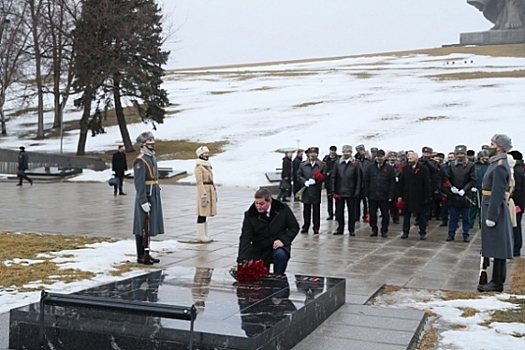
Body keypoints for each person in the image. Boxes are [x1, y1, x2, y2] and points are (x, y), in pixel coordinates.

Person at [478, 134, 514, 293]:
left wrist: (492, 215)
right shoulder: (496, 163)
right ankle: (496, 280)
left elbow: (497, 193)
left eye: (492, 144)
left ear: (499, 147)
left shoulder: (499, 165)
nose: (489, 146)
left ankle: (497, 282)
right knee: (496, 246)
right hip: (489, 205)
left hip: (494, 208)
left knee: (498, 247)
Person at [237, 188, 299, 275]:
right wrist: (242, 260)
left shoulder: (282, 208)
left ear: (269, 202)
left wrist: (283, 240)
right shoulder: (250, 215)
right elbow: (245, 237)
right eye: (256, 203)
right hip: (259, 248)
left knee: (281, 254)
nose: (258, 206)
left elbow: (294, 227)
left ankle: (279, 277)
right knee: (259, 277)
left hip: (276, 245)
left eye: (261, 204)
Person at [133, 131, 163, 264]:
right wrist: (143, 200)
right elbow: (139, 183)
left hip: (153, 193)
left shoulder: (152, 158)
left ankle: (147, 252)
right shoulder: (141, 160)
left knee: (149, 226)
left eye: (152, 139)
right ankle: (141, 255)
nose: (152, 142)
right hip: (145, 195)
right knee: (141, 226)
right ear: (143, 144)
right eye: (149, 140)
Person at [443, 145, 477, 242]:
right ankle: (451, 234)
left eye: (462, 153)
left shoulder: (471, 165)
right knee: (453, 217)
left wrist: (465, 190)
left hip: (465, 195)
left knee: (466, 218)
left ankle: (465, 234)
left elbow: (473, 179)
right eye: (458, 154)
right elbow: (446, 178)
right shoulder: (451, 165)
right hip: (454, 195)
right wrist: (451, 187)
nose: (460, 155)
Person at [363, 149, 396, 237]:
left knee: (385, 214)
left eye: (381, 156)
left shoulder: (389, 168)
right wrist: (366, 193)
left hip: (384, 196)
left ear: (384, 157)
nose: (379, 158)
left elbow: (392, 183)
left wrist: (390, 195)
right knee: (372, 214)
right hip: (372, 195)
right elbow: (366, 181)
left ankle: (384, 230)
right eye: (378, 156)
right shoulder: (370, 168)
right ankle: (374, 229)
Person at [398, 151, 430, 240]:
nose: (409, 160)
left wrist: (427, 197)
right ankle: (405, 232)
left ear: (416, 159)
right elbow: (401, 183)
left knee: (421, 217)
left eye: (411, 158)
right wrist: (400, 195)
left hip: (419, 197)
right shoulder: (405, 169)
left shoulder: (423, 169)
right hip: (407, 196)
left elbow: (426, 184)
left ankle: (422, 232)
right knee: (406, 216)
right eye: (408, 158)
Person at [331, 145, 361, 235]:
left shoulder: (355, 163)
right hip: (339, 191)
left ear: (351, 153)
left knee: (352, 212)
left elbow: (358, 178)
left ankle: (351, 229)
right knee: (339, 212)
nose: (345, 153)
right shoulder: (338, 163)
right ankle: (340, 228)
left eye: (347, 152)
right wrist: (333, 190)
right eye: (344, 152)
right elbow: (334, 177)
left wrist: (357, 191)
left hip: (351, 191)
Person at [297, 147, 326, 234]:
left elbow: (324, 176)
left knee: (316, 210)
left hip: (316, 190)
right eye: (311, 153)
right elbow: (298, 175)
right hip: (306, 190)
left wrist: (316, 180)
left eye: (315, 153)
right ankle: (306, 226)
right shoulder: (303, 164)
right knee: (306, 210)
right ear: (308, 154)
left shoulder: (321, 164)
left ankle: (316, 227)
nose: (313, 155)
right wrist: (304, 181)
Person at [195, 145, 217, 243]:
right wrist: (203, 194)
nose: (206, 155)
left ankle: (204, 233)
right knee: (202, 213)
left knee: (206, 213)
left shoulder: (207, 166)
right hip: (204, 190)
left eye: (207, 153)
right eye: (204, 154)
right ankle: (201, 235)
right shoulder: (199, 167)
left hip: (209, 189)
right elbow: (199, 182)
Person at [508, 150, 525, 257]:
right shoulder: (520, 169)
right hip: (519, 203)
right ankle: (515, 247)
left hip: (516, 203)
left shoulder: (516, 171)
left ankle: (515, 248)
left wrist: (518, 205)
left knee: (515, 226)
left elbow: (518, 190)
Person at [322, 145, 340, 220]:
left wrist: (331, 172)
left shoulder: (338, 158)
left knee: (337, 199)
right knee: (329, 199)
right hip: (328, 182)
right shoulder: (326, 158)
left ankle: (337, 213)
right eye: (331, 150)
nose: (332, 152)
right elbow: (322, 168)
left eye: (334, 150)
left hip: (337, 182)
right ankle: (330, 214)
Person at [355, 144, 371, 222]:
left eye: (361, 150)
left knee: (366, 201)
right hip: (357, 183)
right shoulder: (355, 160)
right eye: (359, 151)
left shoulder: (369, 160)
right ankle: (356, 216)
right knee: (356, 201)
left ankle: (366, 215)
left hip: (366, 183)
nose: (360, 152)